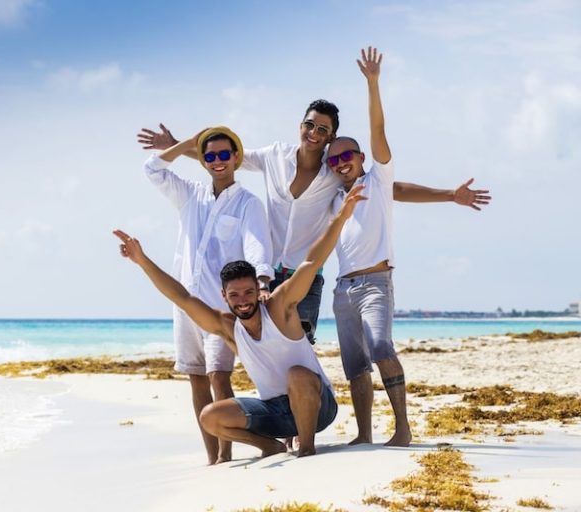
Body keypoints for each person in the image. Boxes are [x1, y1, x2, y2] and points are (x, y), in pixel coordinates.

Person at [137, 104, 490, 347]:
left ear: (330, 135)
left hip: (305, 276)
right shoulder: (274, 156)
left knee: (300, 346)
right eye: (310, 125)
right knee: (262, 347)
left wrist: (449, 195)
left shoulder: (336, 172)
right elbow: (226, 159)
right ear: (301, 125)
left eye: (323, 129)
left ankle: (299, 434)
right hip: (266, 274)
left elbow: (391, 189)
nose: (314, 132)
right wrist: (179, 147)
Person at [112, 184, 367, 458]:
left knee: (298, 374)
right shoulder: (228, 328)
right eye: (234, 295)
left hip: (318, 406)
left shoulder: (280, 308)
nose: (243, 300)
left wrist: (340, 218)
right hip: (275, 413)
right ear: (224, 296)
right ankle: (270, 446)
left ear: (259, 290)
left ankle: (306, 449)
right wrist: (142, 260)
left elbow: (311, 262)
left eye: (248, 292)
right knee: (210, 417)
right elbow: (182, 297)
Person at [143, 126, 274, 465]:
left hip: (220, 308)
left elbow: (256, 243)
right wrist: (186, 144)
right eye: (210, 155)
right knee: (197, 378)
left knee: (219, 376)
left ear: (235, 158)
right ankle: (213, 456)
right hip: (185, 304)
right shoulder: (190, 195)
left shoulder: (249, 204)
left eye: (223, 155)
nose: (217, 161)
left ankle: (227, 454)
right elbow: (152, 169)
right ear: (202, 160)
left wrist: (261, 281)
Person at [328, 46, 412, 446]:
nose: (341, 162)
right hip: (343, 289)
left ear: (361, 157)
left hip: (376, 282)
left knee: (380, 347)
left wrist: (373, 84)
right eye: (334, 159)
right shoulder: (333, 199)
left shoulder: (378, 180)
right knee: (355, 365)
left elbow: (378, 131)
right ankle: (364, 434)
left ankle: (403, 428)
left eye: (347, 155)